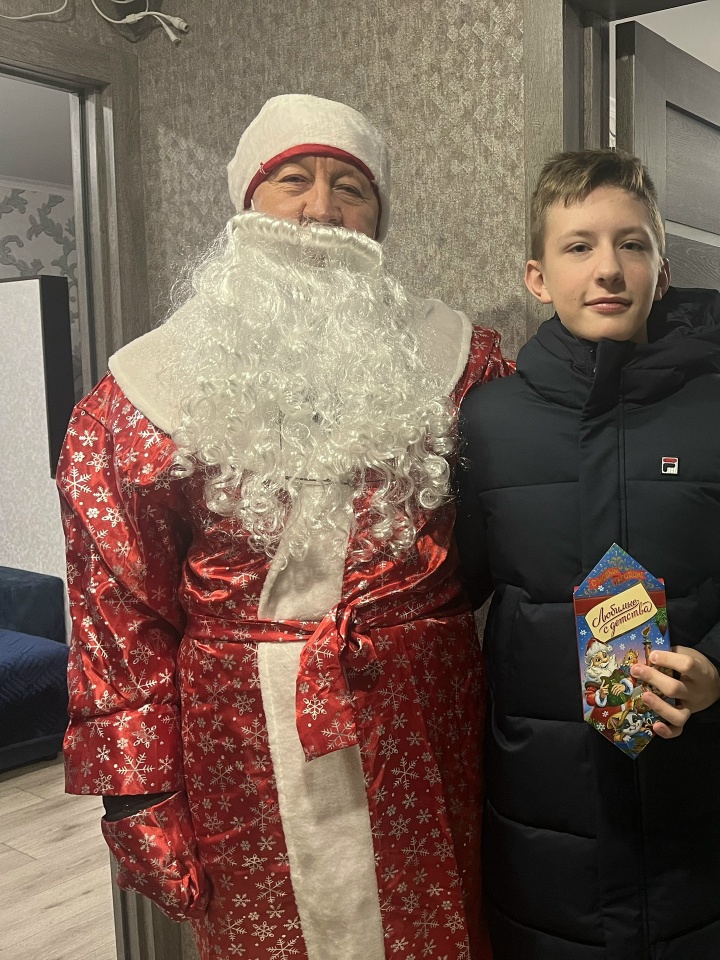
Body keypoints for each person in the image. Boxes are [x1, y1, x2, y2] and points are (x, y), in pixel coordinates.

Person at [57, 94, 508, 960]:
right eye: (293, 180)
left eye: (351, 188)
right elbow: (116, 614)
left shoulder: (462, 360)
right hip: (238, 740)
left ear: (379, 219)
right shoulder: (143, 392)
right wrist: (138, 795)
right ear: (246, 205)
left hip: (422, 720)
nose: (321, 211)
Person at [454, 149, 720, 959]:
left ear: (661, 272)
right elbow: (449, 590)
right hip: (545, 815)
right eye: (580, 246)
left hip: (704, 808)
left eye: (632, 244)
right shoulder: (488, 423)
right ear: (537, 278)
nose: (608, 268)